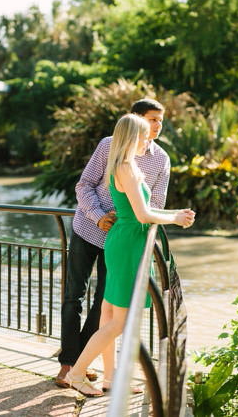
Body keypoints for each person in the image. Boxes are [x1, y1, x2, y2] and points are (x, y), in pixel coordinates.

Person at [63, 113, 195, 396]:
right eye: (144, 135)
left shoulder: (124, 165)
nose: (148, 139)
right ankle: (75, 372)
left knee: (108, 314)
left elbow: (142, 209)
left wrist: (172, 214)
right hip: (128, 244)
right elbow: (143, 214)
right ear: (132, 136)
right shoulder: (125, 168)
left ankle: (110, 378)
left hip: (123, 241)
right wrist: (176, 217)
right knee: (120, 322)